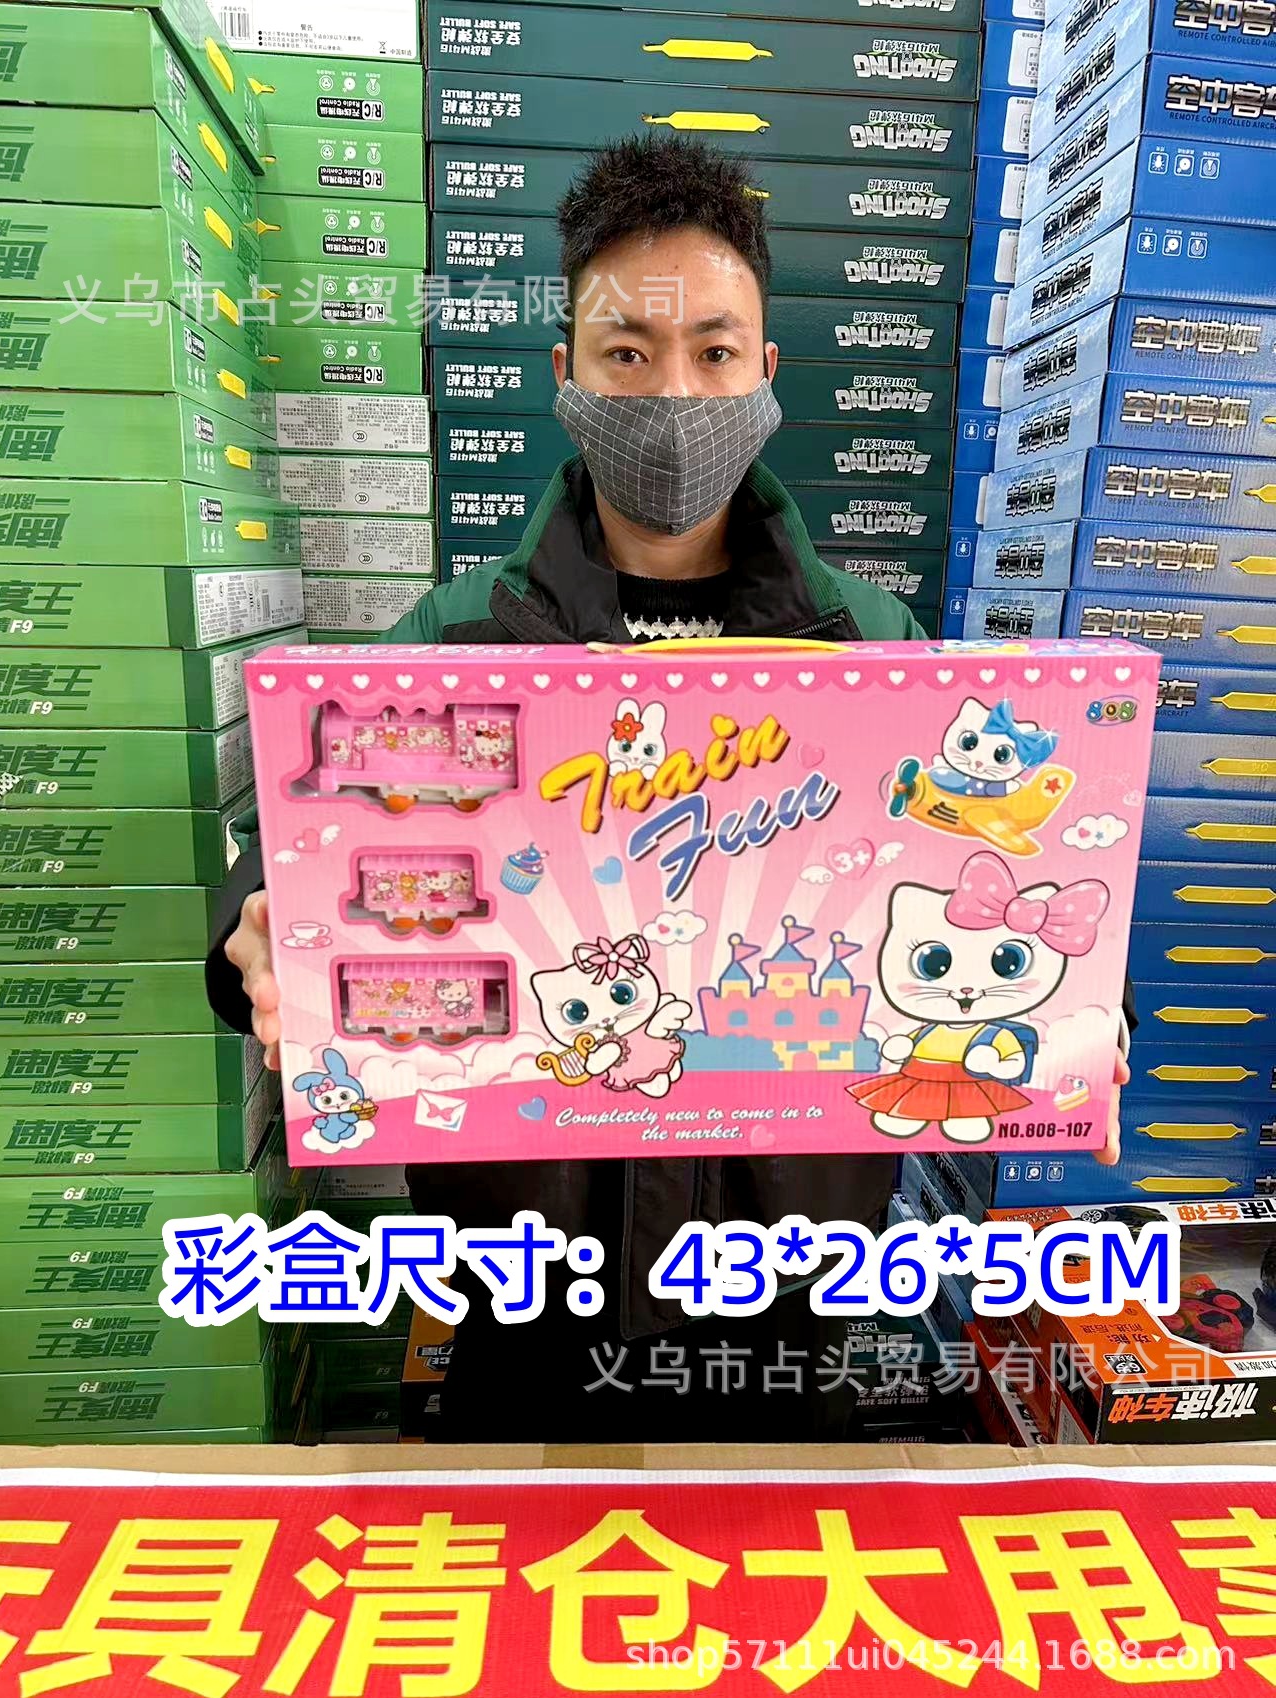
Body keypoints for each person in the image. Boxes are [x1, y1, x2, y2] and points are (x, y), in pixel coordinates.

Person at [207, 134, 1128, 1443]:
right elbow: (285, 891)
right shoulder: (452, 647)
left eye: (712, 350)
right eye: (628, 353)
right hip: (522, 1313)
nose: (676, 394)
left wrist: (1088, 1015)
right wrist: (255, 946)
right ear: (565, 376)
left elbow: (1000, 884)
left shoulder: (874, 652)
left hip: (794, 1314)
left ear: (766, 374)